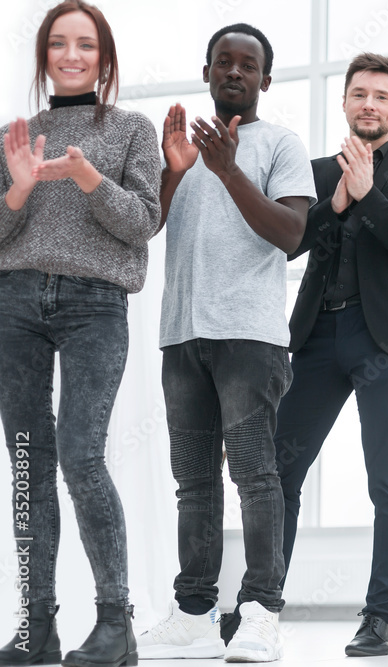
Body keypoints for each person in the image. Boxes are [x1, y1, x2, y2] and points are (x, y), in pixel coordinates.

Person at [139, 23, 316, 663]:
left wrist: (227, 169)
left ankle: (262, 610)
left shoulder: (280, 145)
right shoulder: (183, 149)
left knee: (255, 477)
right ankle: (193, 612)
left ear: (265, 79)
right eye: (223, 62)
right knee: (193, 481)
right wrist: (175, 171)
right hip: (181, 334)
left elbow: (292, 233)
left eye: (248, 65)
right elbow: (147, 228)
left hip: (251, 338)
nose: (234, 72)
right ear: (208, 71)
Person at [0, 3, 160, 666]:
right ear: (44, 56)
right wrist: (19, 187)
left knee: (80, 455)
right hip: (15, 302)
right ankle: (36, 625)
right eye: (59, 44)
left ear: (104, 56)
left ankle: (115, 622)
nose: (71, 55)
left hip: (96, 303)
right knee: (30, 465)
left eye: (85, 45)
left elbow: (143, 222)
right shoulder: (18, 134)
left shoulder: (131, 129)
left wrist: (89, 179)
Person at [269, 52, 388, 657]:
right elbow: (291, 246)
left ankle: (379, 616)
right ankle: (262, 605)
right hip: (317, 336)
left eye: (381, 96)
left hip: (384, 341)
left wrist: (368, 197)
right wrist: (336, 203)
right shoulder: (318, 171)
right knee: (278, 471)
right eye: (359, 94)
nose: (369, 103)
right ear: (344, 102)